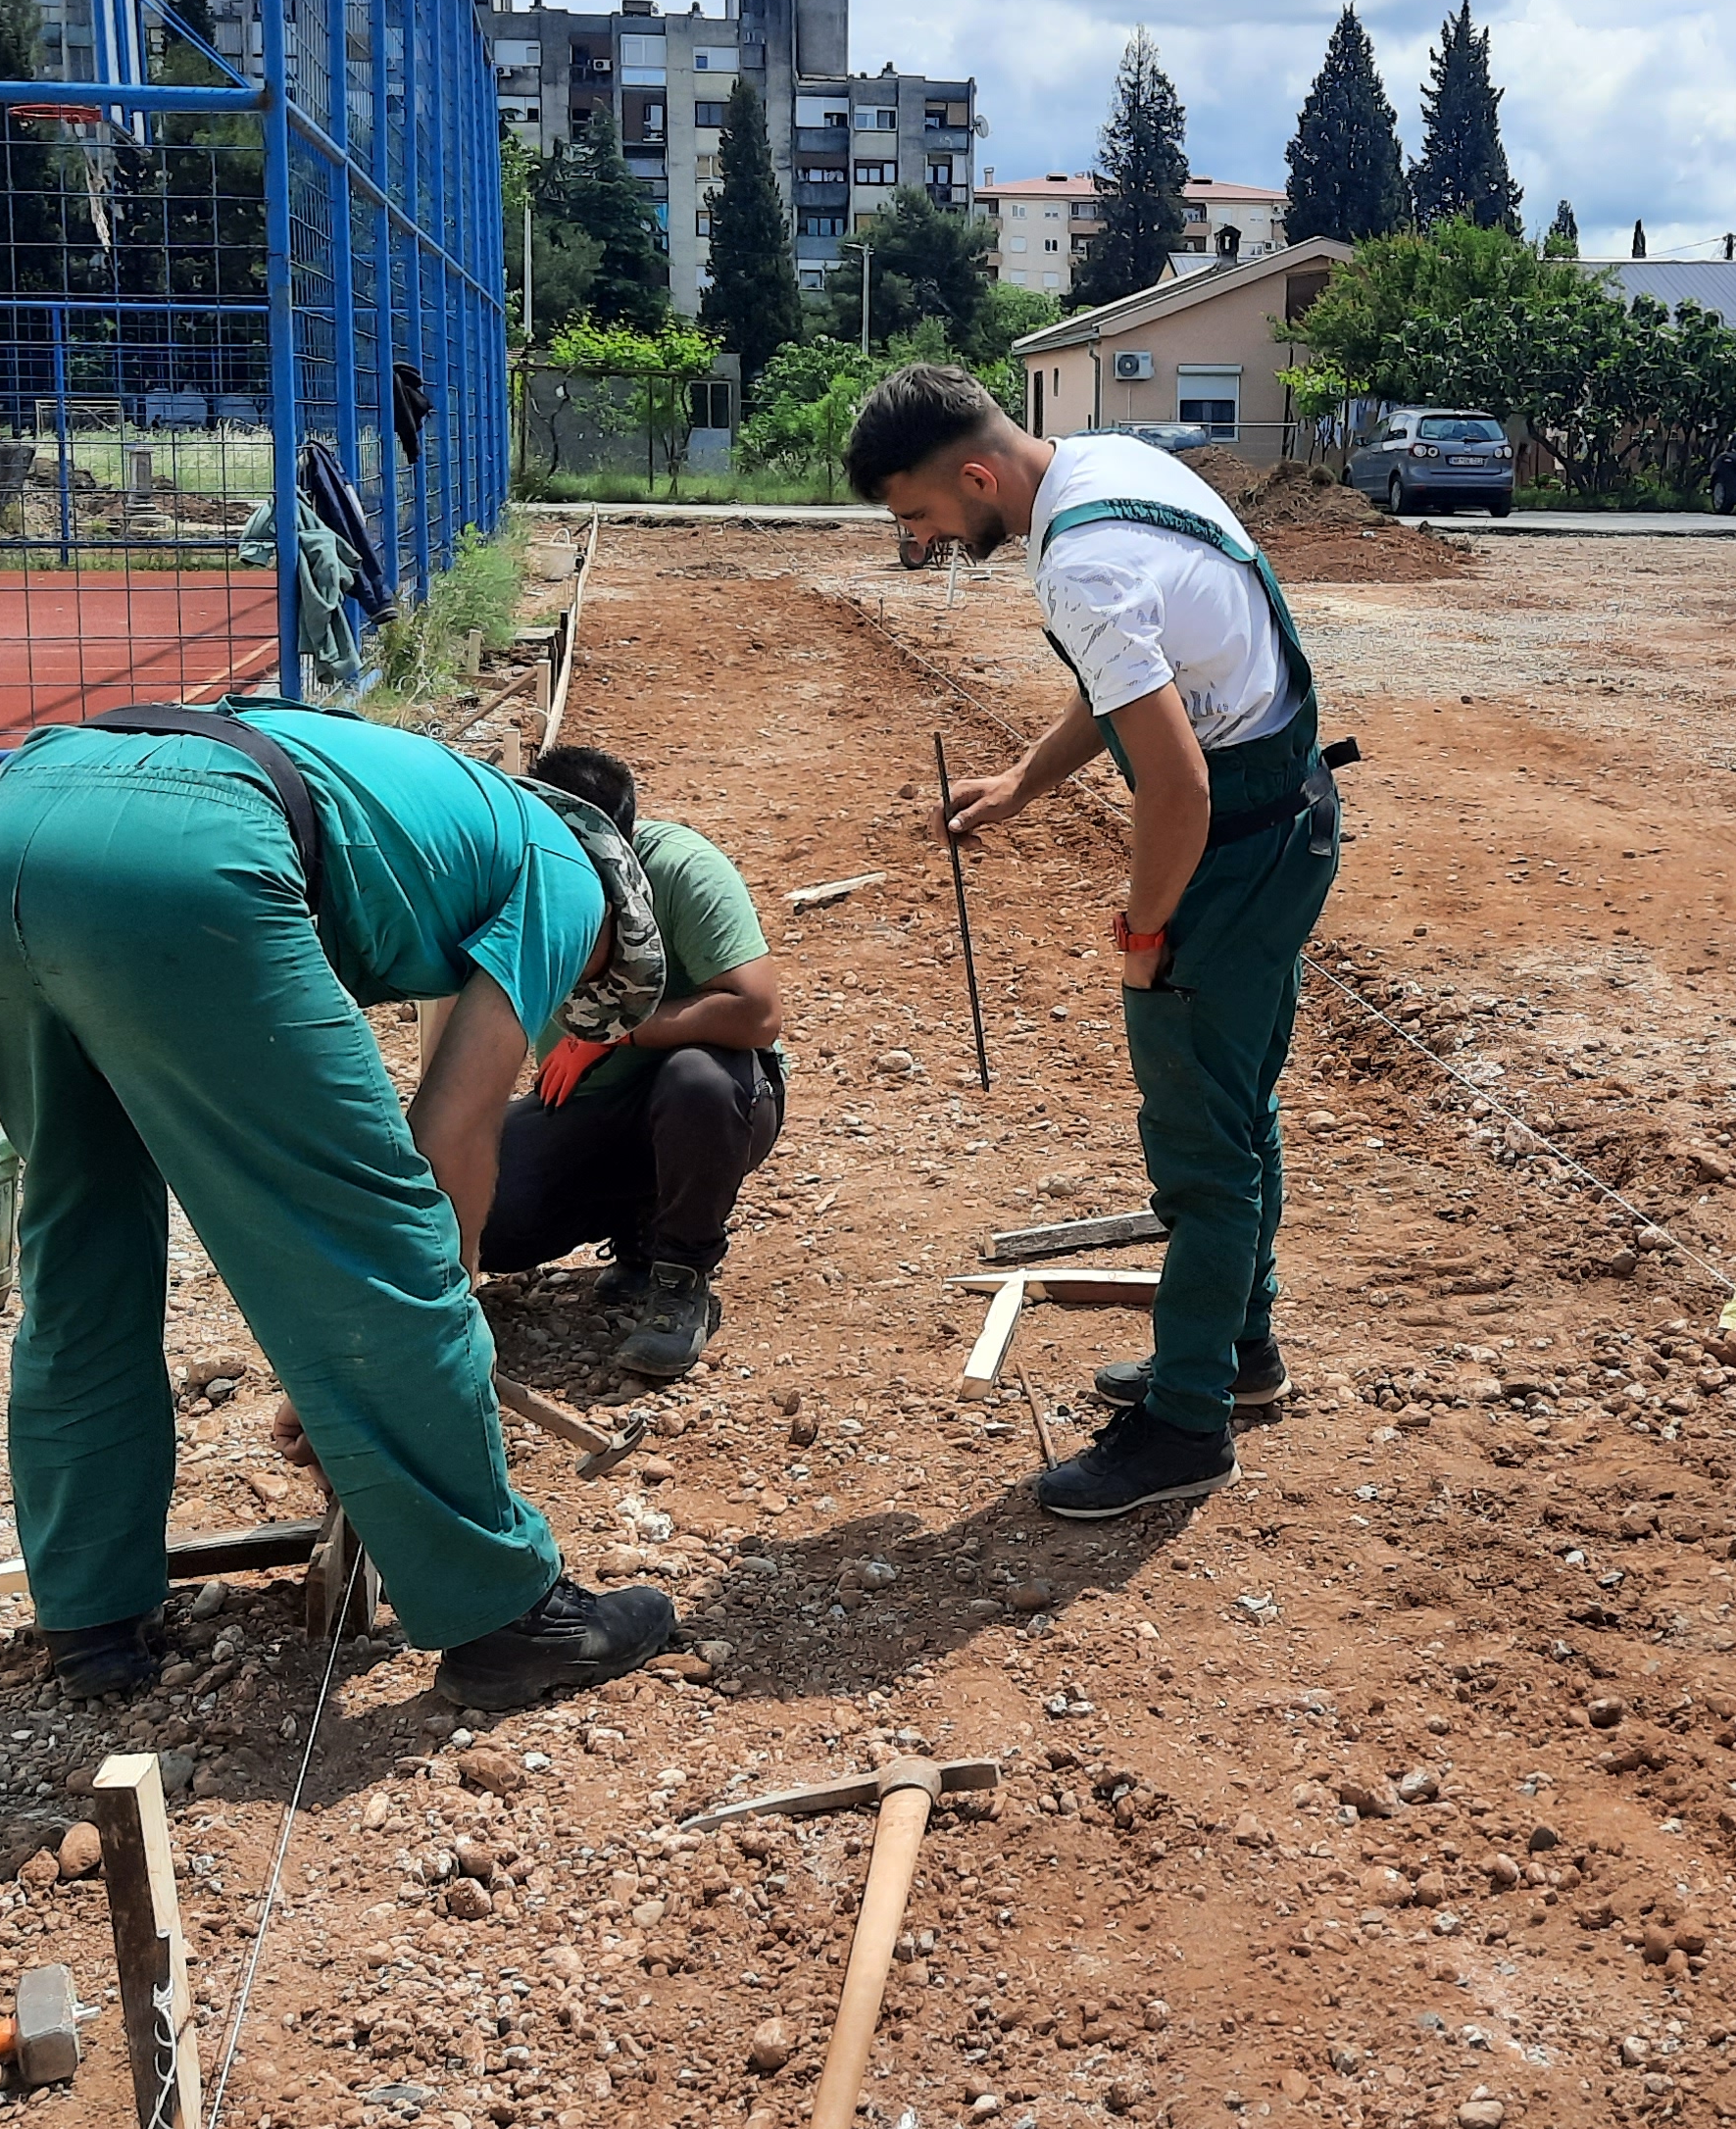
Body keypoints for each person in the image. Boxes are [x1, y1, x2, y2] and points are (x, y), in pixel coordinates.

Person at [0, 700, 682, 1712]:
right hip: (190, 854)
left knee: (81, 1239)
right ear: (615, 932)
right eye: (579, 993)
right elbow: (448, 1140)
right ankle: (506, 1617)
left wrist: (341, 1388)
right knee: (388, 1235)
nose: (562, 1002)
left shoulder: (454, 817)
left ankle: (91, 1616)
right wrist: (404, 1357)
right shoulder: (566, 877)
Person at [842, 365, 1347, 1518]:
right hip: (1291, 818)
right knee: (1240, 1108)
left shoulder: (1079, 560)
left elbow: (1174, 785)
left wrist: (1145, 928)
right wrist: (1026, 779)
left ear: (973, 475)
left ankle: (1183, 1429)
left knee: (1199, 1147)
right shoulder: (1109, 467)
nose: (922, 544)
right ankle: (1231, 1354)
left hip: (1233, 851)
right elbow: (1140, 683)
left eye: (919, 517)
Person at [481, 742, 786, 1380]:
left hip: (717, 1099)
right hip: (593, 1106)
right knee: (488, 1213)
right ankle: (637, 1219)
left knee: (696, 1082)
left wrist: (617, 1033)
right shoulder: (522, 881)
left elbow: (758, 1014)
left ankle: (680, 1274)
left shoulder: (682, 870)